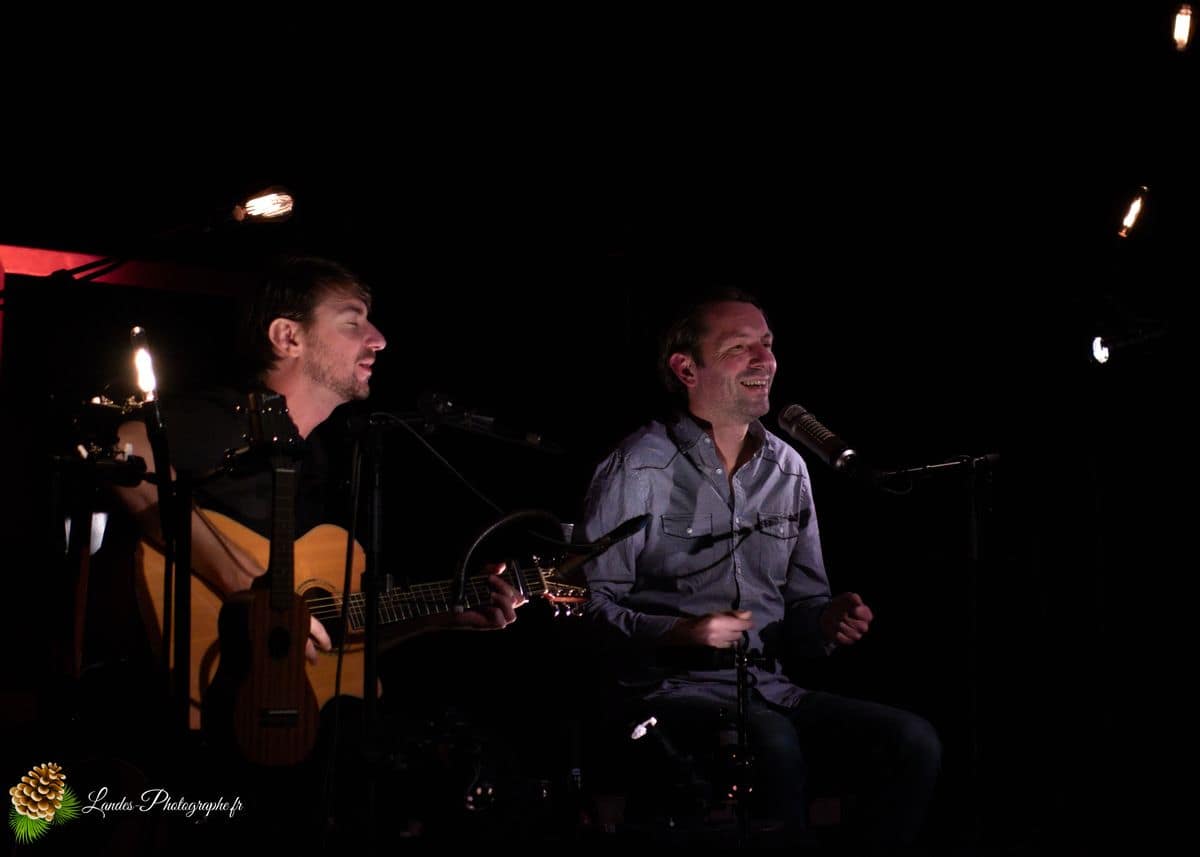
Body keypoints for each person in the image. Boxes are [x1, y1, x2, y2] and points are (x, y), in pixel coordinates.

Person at [579, 288, 941, 852]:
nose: (763, 360)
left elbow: (800, 610)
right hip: (670, 693)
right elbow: (592, 609)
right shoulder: (637, 466)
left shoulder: (789, 467)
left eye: (767, 345)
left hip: (770, 687)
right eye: (738, 348)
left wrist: (825, 622)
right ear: (686, 368)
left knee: (912, 741)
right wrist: (681, 632)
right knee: (774, 746)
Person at [113, 254, 521, 677]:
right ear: (288, 337)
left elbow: (324, 642)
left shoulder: (319, 459)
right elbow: (121, 444)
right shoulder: (231, 419)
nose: (378, 339)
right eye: (352, 322)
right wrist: (251, 588)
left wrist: (441, 617)